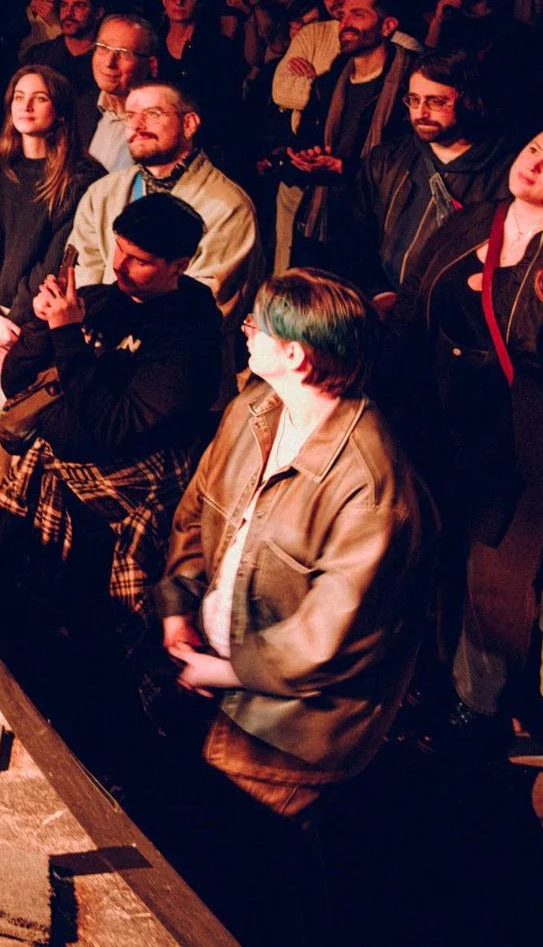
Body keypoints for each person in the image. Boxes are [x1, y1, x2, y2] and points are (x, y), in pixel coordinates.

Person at [156, 270, 434, 819]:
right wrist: (177, 607)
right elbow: (196, 514)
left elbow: (326, 640)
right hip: (217, 679)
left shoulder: (370, 490)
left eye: (258, 325)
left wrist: (225, 670)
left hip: (292, 728)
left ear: (296, 357)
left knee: (230, 866)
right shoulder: (254, 409)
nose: (246, 328)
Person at [388, 127, 543, 724]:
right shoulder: (473, 220)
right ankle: (418, 685)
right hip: (444, 419)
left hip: (533, 432)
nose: (533, 166)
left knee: (498, 578)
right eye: (532, 150)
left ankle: (481, 709)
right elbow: (411, 306)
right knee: (428, 552)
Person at [0, 193, 224, 639]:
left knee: (91, 634)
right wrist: (41, 324)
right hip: (58, 485)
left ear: (179, 265)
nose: (120, 265)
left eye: (140, 260)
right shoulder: (98, 300)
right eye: (119, 248)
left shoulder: (190, 338)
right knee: (20, 609)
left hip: (119, 507)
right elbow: (17, 384)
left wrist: (68, 335)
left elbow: (109, 429)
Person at [0, 65, 106, 516]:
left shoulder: (80, 178)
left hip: (32, 324)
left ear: (59, 111)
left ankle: (12, 537)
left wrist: (13, 325)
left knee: (18, 433)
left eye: (38, 98)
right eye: (19, 96)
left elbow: (55, 261)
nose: (26, 106)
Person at [70, 80, 261, 324]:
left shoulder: (228, 207)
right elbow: (82, 276)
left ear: (189, 124)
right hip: (99, 345)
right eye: (130, 116)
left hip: (176, 353)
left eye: (152, 114)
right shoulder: (102, 193)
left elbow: (206, 302)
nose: (136, 126)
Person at [347, 49, 512, 300]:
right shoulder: (389, 158)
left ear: (469, 102)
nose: (420, 112)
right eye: (414, 99)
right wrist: (377, 292)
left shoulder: (503, 176)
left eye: (435, 102)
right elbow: (354, 236)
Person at [277, 0, 417, 272]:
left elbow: (411, 161)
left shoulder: (411, 84)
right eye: (342, 16)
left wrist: (345, 167)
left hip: (379, 229)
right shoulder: (330, 82)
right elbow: (308, 138)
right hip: (324, 217)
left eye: (358, 14)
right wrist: (306, 157)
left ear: (388, 26)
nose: (345, 23)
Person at [84, 13, 159, 173]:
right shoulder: (80, 108)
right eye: (103, 48)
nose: (109, 62)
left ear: (151, 65)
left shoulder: (161, 123)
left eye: (124, 53)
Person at [21, 0, 102, 102]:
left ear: (98, 13)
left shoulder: (104, 62)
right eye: (64, 5)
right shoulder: (37, 55)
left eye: (79, 6)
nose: (68, 13)